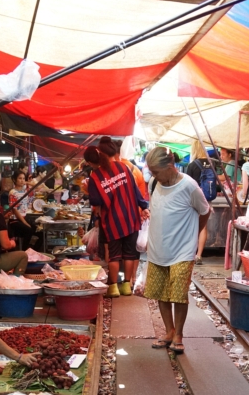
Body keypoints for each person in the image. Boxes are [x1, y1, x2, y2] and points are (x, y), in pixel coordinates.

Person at [144, 147, 210, 353]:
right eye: (152, 172)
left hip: (182, 250)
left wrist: (195, 233)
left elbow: (205, 211)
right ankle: (168, 331)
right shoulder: (153, 183)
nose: (153, 176)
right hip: (157, 249)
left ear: (170, 166)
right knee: (161, 294)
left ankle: (179, 334)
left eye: (156, 171)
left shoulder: (189, 186)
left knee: (179, 294)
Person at [85, 138, 150, 297]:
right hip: (130, 218)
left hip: (112, 221)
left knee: (114, 255)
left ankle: (113, 288)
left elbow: (96, 201)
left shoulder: (95, 176)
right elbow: (136, 192)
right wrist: (144, 207)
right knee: (129, 254)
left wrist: (88, 190)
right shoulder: (125, 167)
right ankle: (126, 286)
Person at [8, 170, 36, 251]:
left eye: (23, 178)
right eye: (20, 178)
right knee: (29, 230)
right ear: (14, 180)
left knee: (39, 231)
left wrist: (28, 183)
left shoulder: (25, 191)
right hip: (15, 220)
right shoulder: (12, 192)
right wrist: (25, 223)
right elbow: (15, 210)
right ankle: (24, 251)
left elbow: (36, 188)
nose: (22, 180)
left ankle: (32, 250)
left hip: (24, 217)